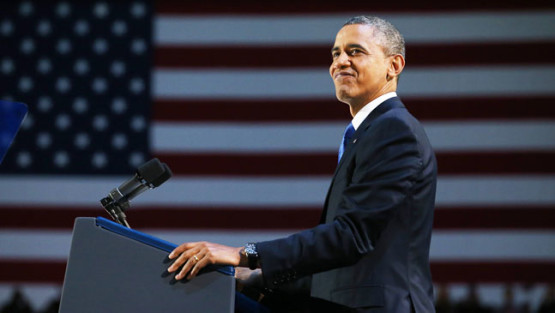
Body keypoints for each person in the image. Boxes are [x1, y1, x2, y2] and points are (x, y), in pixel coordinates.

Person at [167, 15, 437, 313]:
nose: (341, 61)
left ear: (394, 65)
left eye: (355, 51)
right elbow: (340, 260)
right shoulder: (370, 133)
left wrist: (245, 255)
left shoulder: (394, 130)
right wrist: (260, 277)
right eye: (336, 53)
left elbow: (352, 236)